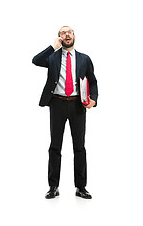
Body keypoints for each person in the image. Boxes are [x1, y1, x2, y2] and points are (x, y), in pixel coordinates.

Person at [32, 26, 98, 199]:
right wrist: (53, 47)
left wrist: (94, 100)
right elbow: (35, 60)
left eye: (70, 32)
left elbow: (93, 81)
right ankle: (53, 186)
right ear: (60, 37)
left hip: (77, 105)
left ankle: (81, 187)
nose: (67, 34)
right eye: (63, 32)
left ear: (74, 36)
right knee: (55, 146)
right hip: (57, 105)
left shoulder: (84, 59)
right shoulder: (52, 57)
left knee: (79, 147)